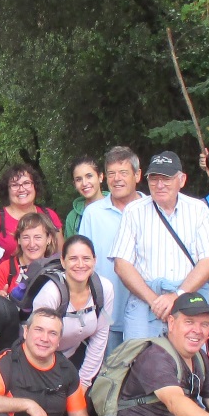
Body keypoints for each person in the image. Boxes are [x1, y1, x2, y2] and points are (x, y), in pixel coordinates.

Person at [110, 151, 209, 340]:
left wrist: (177, 295)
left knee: (188, 362)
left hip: (188, 296)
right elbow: (122, 264)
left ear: (182, 180)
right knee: (141, 361)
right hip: (145, 298)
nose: (159, 185)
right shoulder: (134, 211)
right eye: (154, 179)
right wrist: (154, 300)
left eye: (166, 179)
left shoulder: (198, 209)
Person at [81, 147, 144, 349]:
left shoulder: (151, 209)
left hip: (147, 314)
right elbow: (82, 262)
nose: (117, 179)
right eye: (111, 173)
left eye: (123, 173)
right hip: (107, 314)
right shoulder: (93, 213)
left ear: (137, 175)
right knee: (110, 376)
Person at [30, 235, 113, 389]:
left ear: (95, 260)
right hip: (41, 358)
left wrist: (84, 382)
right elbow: (37, 339)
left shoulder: (104, 289)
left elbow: (101, 335)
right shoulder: (51, 293)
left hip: (75, 355)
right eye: (73, 258)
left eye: (86, 258)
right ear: (63, 261)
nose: (80, 264)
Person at [0, 163, 63, 256]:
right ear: (7, 190)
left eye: (26, 183)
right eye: (14, 185)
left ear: (35, 186)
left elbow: (61, 255)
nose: (21, 189)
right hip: (6, 270)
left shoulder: (50, 215)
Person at [0, 211, 54, 301]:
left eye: (38, 237)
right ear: (19, 240)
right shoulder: (6, 269)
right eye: (26, 237)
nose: (32, 244)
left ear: (48, 239)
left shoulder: (54, 269)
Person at [66, 156, 103, 236]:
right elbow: (70, 247)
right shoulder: (72, 217)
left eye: (89, 176)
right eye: (79, 179)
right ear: (74, 184)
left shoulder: (117, 206)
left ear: (100, 177)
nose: (84, 183)